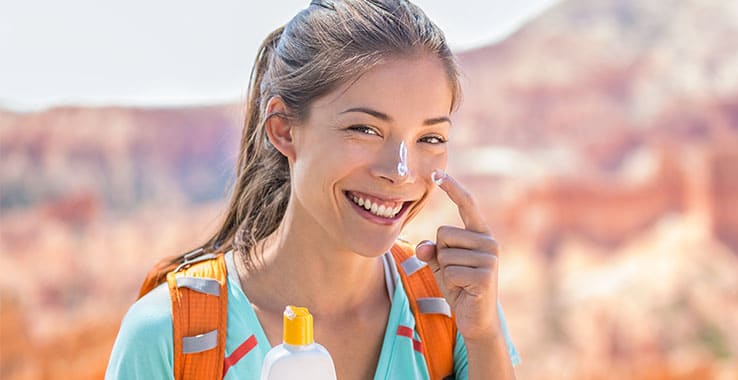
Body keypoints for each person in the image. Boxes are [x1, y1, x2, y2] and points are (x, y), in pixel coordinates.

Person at [105, 0, 520, 378]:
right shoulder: (167, 335)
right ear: (284, 130)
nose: (399, 171)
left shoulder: (456, 312)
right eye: (365, 129)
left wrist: (483, 336)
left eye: (430, 138)